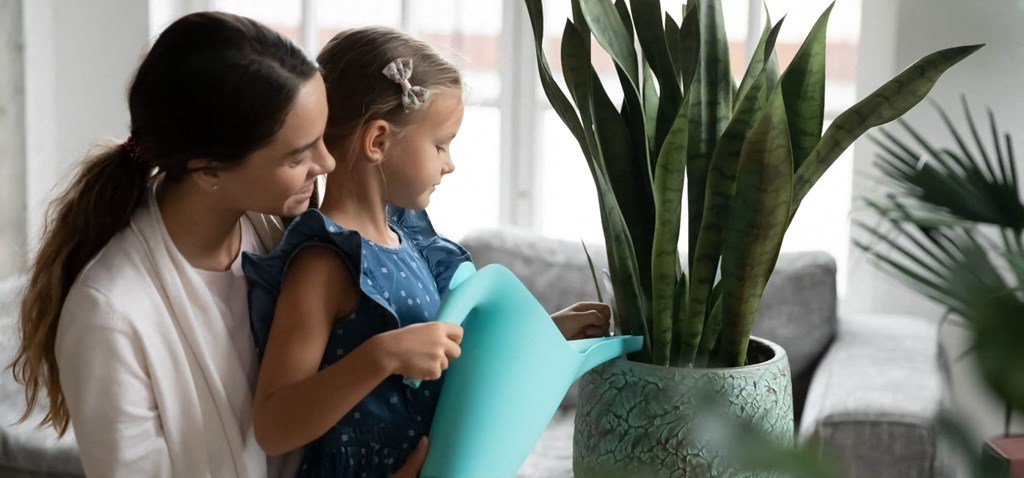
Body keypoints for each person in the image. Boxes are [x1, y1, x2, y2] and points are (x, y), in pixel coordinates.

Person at [243, 26, 611, 478]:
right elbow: (274, 425)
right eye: (440, 144)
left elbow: (443, 350)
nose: (449, 163)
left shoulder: (408, 240)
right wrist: (380, 356)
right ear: (378, 141)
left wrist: (547, 331)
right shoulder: (326, 261)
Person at [10, 12, 334, 477]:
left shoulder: (284, 237)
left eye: (322, 140)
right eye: (299, 155)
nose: (328, 162)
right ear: (210, 171)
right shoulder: (109, 315)